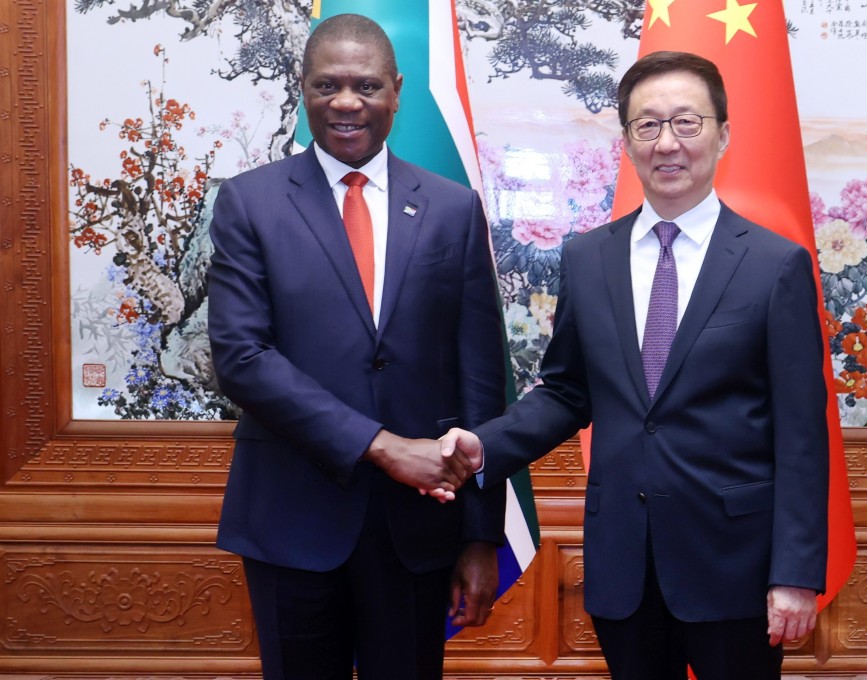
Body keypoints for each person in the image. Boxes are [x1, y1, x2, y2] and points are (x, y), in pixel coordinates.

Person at [438, 51, 830, 680]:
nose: (666, 143)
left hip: (734, 565)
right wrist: (483, 447)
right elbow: (567, 392)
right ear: (627, 141)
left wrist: (796, 576)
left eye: (686, 122)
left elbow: (803, 436)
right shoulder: (589, 257)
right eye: (647, 126)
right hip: (625, 562)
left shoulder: (773, 265)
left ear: (723, 135)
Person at [207, 13, 507, 680]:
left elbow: (481, 380)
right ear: (303, 89)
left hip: (419, 533)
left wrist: (482, 536)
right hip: (291, 517)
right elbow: (242, 358)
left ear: (397, 90)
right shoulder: (249, 204)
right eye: (327, 85)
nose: (346, 102)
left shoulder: (453, 209)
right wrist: (382, 447)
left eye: (366, 86)